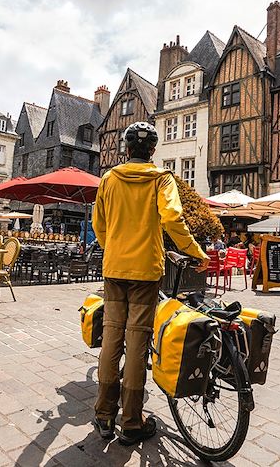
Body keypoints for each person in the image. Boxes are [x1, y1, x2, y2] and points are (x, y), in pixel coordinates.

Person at [91, 122, 209, 446]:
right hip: (145, 273)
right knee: (138, 344)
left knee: (112, 339)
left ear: (126, 149)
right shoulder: (161, 179)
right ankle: (131, 421)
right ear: (153, 151)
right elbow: (172, 218)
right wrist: (195, 251)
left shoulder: (109, 179)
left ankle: (103, 415)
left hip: (114, 270)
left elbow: (98, 225)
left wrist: (114, 247)